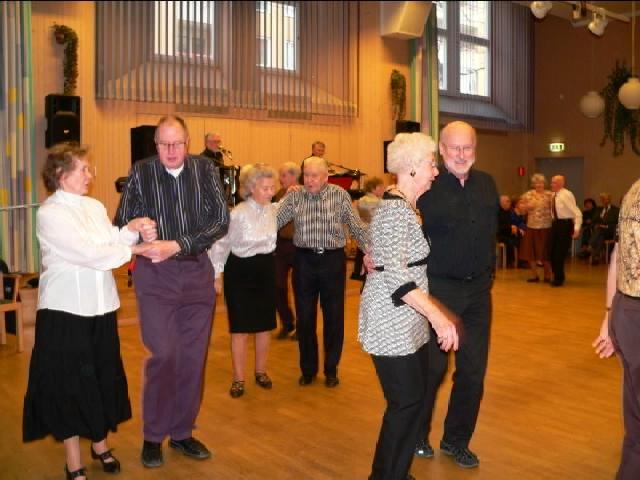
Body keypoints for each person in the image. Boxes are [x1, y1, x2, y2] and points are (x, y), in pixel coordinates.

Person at [23, 143, 157, 480]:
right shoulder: (50, 213)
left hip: (101, 308)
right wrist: (137, 250)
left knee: (100, 379)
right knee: (69, 386)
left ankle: (100, 444)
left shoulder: (94, 206)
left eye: (88, 168)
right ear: (61, 174)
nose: (90, 175)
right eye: (83, 169)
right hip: (65, 312)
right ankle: (73, 462)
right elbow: (89, 253)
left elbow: (109, 239)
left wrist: (131, 229)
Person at [115, 115, 230, 469]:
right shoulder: (141, 171)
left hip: (197, 272)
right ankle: (153, 436)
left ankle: (181, 432)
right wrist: (138, 226)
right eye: (164, 144)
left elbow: (220, 220)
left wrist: (177, 244)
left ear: (188, 142)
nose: (170, 150)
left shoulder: (205, 170)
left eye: (177, 143)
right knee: (164, 354)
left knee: (193, 358)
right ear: (155, 145)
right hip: (156, 276)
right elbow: (123, 221)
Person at [359, 132, 459, 480]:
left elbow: (387, 253)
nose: (435, 171)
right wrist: (439, 318)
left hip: (407, 321)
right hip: (391, 322)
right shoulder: (394, 211)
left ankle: (397, 472)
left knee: (413, 399)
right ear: (413, 168)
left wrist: (370, 253)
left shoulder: (406, 208)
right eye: (431, 164)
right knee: (404, 403)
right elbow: (398, 279)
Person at [414, 120, 498, 469]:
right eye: (455, 148)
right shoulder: (427, 187)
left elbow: (491, 230)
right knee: (432, 370)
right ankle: (417, 435)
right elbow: (401, 223)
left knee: (473, 373)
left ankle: (456, 441)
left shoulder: (487, 183)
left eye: (468, 148)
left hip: (478, 292)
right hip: (439, 290)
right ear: (442, 150)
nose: (462, 155)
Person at [277, 156, 368, 388]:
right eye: (306, 175)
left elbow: (356, 227)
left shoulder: (340, 195)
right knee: (305, 318)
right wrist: (283, 198)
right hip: (303, 261)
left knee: (334, 317)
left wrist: (370, 251)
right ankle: (308, 370)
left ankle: (331, 369)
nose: (309, 180)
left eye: (314, 176)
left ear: (326, 177)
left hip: (332, 260)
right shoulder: (295, 196)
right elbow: (273, 221)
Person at [210, 164, 278, 398]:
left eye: (272, 187)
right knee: (240, 328)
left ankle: (261, 371)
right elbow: (221, 245)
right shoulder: (237, 213)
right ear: (251, 188)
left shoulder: (272, 210)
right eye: (265, 188)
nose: (270, 192)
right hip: (240, 272)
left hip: (266, 269)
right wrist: (216, 274)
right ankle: (238, 378)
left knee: (264, 326)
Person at [592, 177, 640, 479]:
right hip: (632, 310)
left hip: (626, 310)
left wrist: (609, 316)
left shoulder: (634, 189)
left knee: (635, 416)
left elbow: (618, 256)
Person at [274, 162, 301, 340]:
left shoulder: (304, 193)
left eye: (283, 175)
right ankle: (287, 322)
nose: (280, 179)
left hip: (299, 246)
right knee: (277, 285)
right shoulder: (278, 194)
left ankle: (302, 327)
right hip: (280, 244)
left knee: (300, 288)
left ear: (293, 176)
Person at [548, 175, 582, 286]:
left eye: (554, 182)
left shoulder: (566, 194)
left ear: (561, 184)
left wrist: (576, 228)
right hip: (556, 224)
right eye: (552, 182)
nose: (551, 184)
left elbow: (577, 212)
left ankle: (559, 278)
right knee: (551, 252)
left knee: (559, 253)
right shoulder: (553, 195)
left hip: (565, 225)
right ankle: (556, 275)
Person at [519, 173, 553, 283]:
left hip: (545, 227)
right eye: (536, 183)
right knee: (530, 253)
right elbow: (520, 210)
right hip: (531, 226)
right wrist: (526, 207)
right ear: (533, 184)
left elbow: (556, 210)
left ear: (544, 184)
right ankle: (534, 275)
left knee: (545, 253)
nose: (539, 185)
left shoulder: (550, 195)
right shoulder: (527, 195)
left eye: (541, 183)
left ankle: (548, 275)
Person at [352, 177, 385, 281]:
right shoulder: (379, 202)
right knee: (372, 274)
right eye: (382, 187)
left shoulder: (359, 201)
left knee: (364, 276)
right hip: (375, 240)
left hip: (362, 238)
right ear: (376, 188)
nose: (383, 189)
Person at [588, 193, 619, 265]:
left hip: (610, 231)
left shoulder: (615, 210)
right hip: (600, 232)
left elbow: (617, 223)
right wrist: (595, 225)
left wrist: (606, 226)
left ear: (610, 200)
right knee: (600, 236)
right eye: (603, 199)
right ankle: (595, 257)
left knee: (599, 230)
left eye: (606, 199)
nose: (605, 201)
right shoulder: (599, 209)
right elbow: (593, 221)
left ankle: (590, 245)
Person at [497, 195, 519, 268]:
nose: (509, 203)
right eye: (507, 201)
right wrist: (510, 227)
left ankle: (521, 261)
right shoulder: (497, 213)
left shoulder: (509, 212)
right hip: (500, 234)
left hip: (509, 232)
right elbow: (498, 227)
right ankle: (509, 262)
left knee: (521, 239)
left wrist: (516, 228)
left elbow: (515, 222)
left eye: (509, 201)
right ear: (501, 203)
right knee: (510, 242)